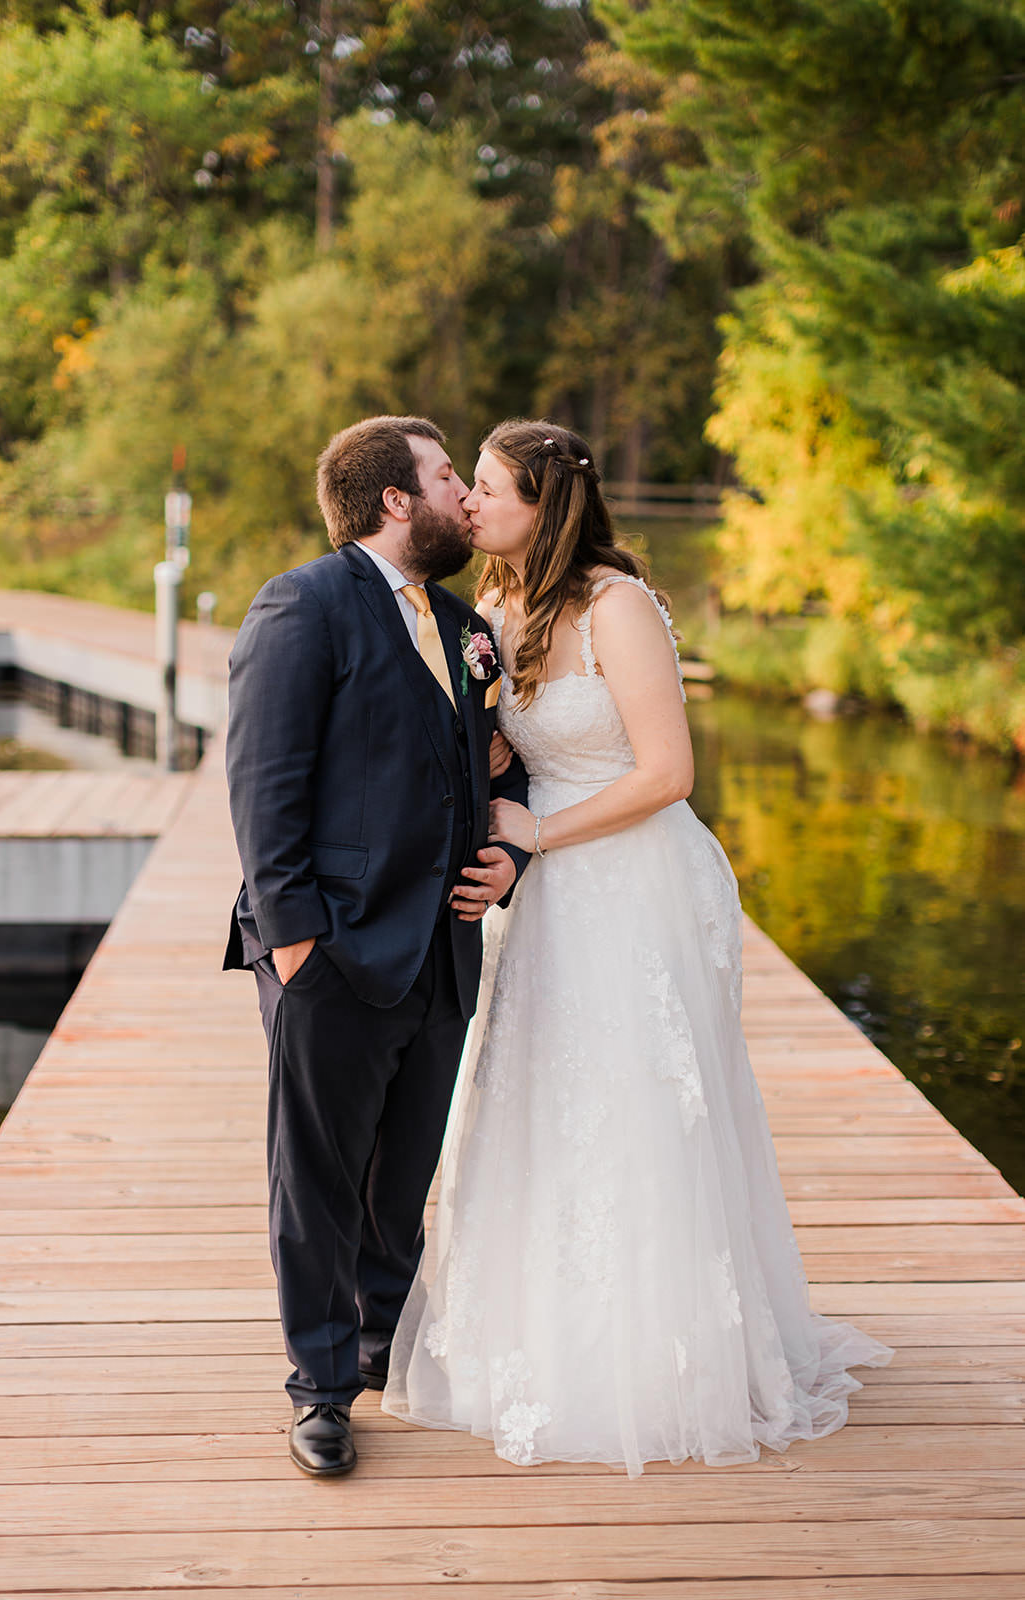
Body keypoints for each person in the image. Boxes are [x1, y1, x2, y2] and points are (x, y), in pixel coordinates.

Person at [383, 419, 892, 1475]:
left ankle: (664, 1354)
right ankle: (541, 1330)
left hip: (632, 875)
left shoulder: (616, 605)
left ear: (542, 503)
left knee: (636, 1093)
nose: (469, 503)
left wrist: (536, 836)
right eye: (464, 485)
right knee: (538, 1089)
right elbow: (498, 750)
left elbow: (667, 772)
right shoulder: (493, 605)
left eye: (485, 487)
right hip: (548, 889)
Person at [224, 415, 530, 1477]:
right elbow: (263, 794)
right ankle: (317, 1393)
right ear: (395, 500)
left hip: (443, 952)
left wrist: (509, 859)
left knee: (401, 1176)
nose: (463, 494)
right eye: (447, 475)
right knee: (314, 1182)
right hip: (335, 957)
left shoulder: (460, 624)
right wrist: (298, 949)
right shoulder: (301, 607)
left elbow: (502, 769)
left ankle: (381, 1349)